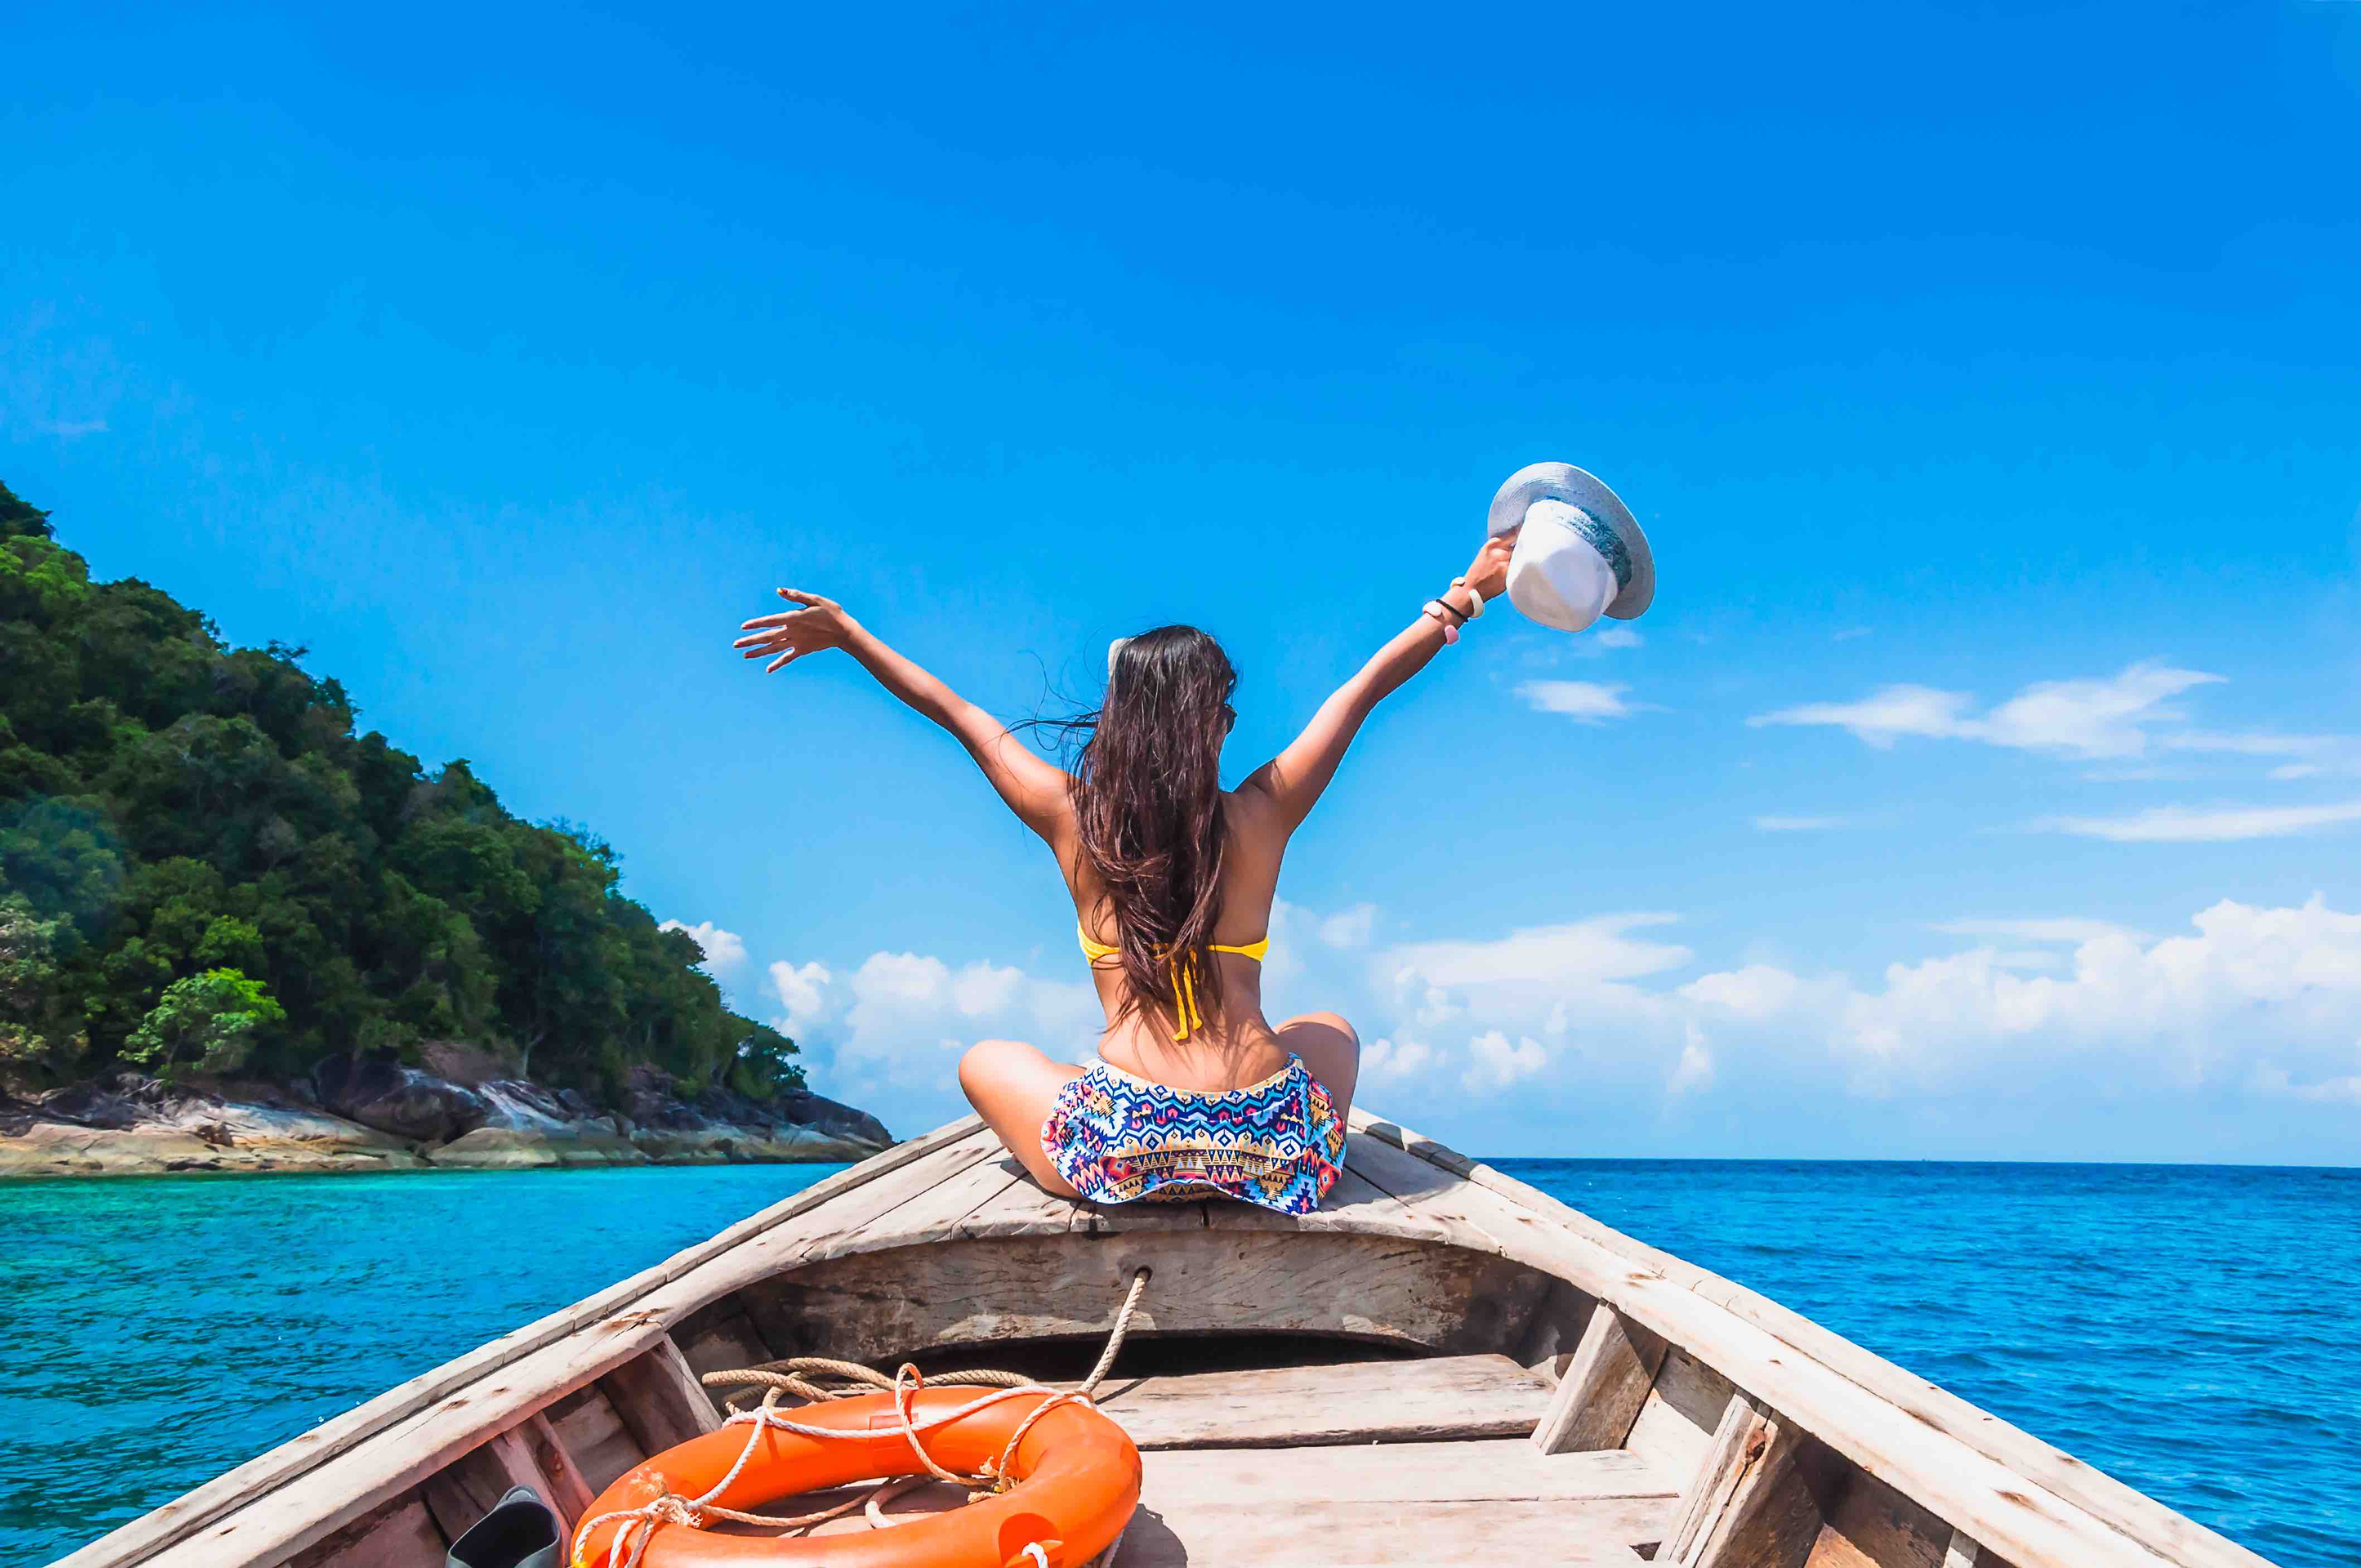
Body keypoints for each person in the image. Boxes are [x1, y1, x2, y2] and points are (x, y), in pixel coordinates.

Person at [733, 528, 1517, 1213]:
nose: (1237, 723)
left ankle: (1130, 1092)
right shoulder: (1260, 812)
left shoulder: (1072, 815)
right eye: (1226, 710)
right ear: (1204, 725)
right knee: (1333, 1032)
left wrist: (847, 634)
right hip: (1273, 1155)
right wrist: (1467, 594)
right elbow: (1365, 688)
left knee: (987, 1060)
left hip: (1122, 1150)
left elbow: (955, 710)